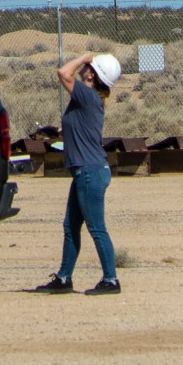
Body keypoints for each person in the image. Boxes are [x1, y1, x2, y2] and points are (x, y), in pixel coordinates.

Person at [35, 50, 122, 295]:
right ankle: (64, 278)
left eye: (89, 67)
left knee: (96, 227)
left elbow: (63, 73)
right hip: (85, 171)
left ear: (92, 74)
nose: (85, 68)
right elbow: (77, 125)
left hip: (89, 171)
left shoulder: (86, 94)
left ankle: (111, 279)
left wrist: (84, 57)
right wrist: (61, 131)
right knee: (71, 226)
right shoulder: (87, 99)